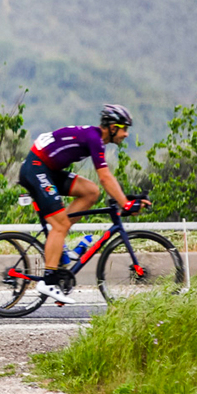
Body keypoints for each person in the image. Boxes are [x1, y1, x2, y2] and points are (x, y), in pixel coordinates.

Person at [21, 103, 147, 304]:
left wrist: (124, 198)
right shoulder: (94, 139)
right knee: (60, 224)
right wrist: (125, 204)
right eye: (124, 129)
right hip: (36, 168)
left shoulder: (95, 138)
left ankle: (58, 241)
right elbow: (105, 177)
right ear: (112, 127)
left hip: (48, 170)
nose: (126, 134)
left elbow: (104, 181)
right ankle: (48, 281)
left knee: (91, 192)